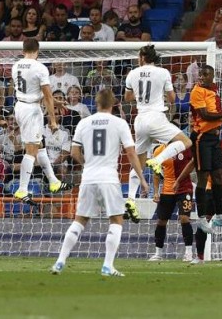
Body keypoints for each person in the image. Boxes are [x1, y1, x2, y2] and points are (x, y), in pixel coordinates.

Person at [50, 89, 144, 277]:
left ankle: (60, 261)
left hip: (89, 177)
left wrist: (88, 164)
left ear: (96, 103)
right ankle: (107, 265)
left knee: (80, 220)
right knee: (116, 219)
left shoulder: (84, 123)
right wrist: (142, 178)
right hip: (109, 177)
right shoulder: (120, 123)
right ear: (114, 104)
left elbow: (74, 153)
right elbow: (131, 153)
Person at [123, 45, 192, 206]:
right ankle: (158, 160)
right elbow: (173, 99)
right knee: (186, 142)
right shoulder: (163, 73)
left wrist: (140, 94)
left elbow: (127, 97)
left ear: (142, 57)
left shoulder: (132, 74)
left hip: (140, 120)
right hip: (156, 117)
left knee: (138, 164)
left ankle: (131, 199)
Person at [11, 38, 72, 205]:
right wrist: (53, 120)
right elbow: (46, 95)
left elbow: (34, 91)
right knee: (31, 150)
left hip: (21, 106)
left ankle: (53, 182)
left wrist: (55, 101)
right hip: (32, 111)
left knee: (40, 146)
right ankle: (22, 189)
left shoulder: (16, 66)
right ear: (38, 51)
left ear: (23, 50)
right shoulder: (40, 68)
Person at [189, 65, 222, 235]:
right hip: (201, 138)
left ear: (212, 76)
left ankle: (219, 215)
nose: (202, 77)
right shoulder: (197, 91)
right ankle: (202, 217)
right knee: (203, 177)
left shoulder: (214, 89)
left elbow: (215, 111)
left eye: (205, 74)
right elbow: (205, 115)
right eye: (200, 74)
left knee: (218, 175)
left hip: (214, 138)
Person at [148, 144, 194, 262]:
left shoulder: (185, 147)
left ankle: (188, 252)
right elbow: (156, 173)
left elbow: (194, 161)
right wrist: (156, 192)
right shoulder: (159, 150)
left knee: (184, 218)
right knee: (161, 221)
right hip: (167, 190)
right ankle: (158, 253)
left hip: (184, 188)